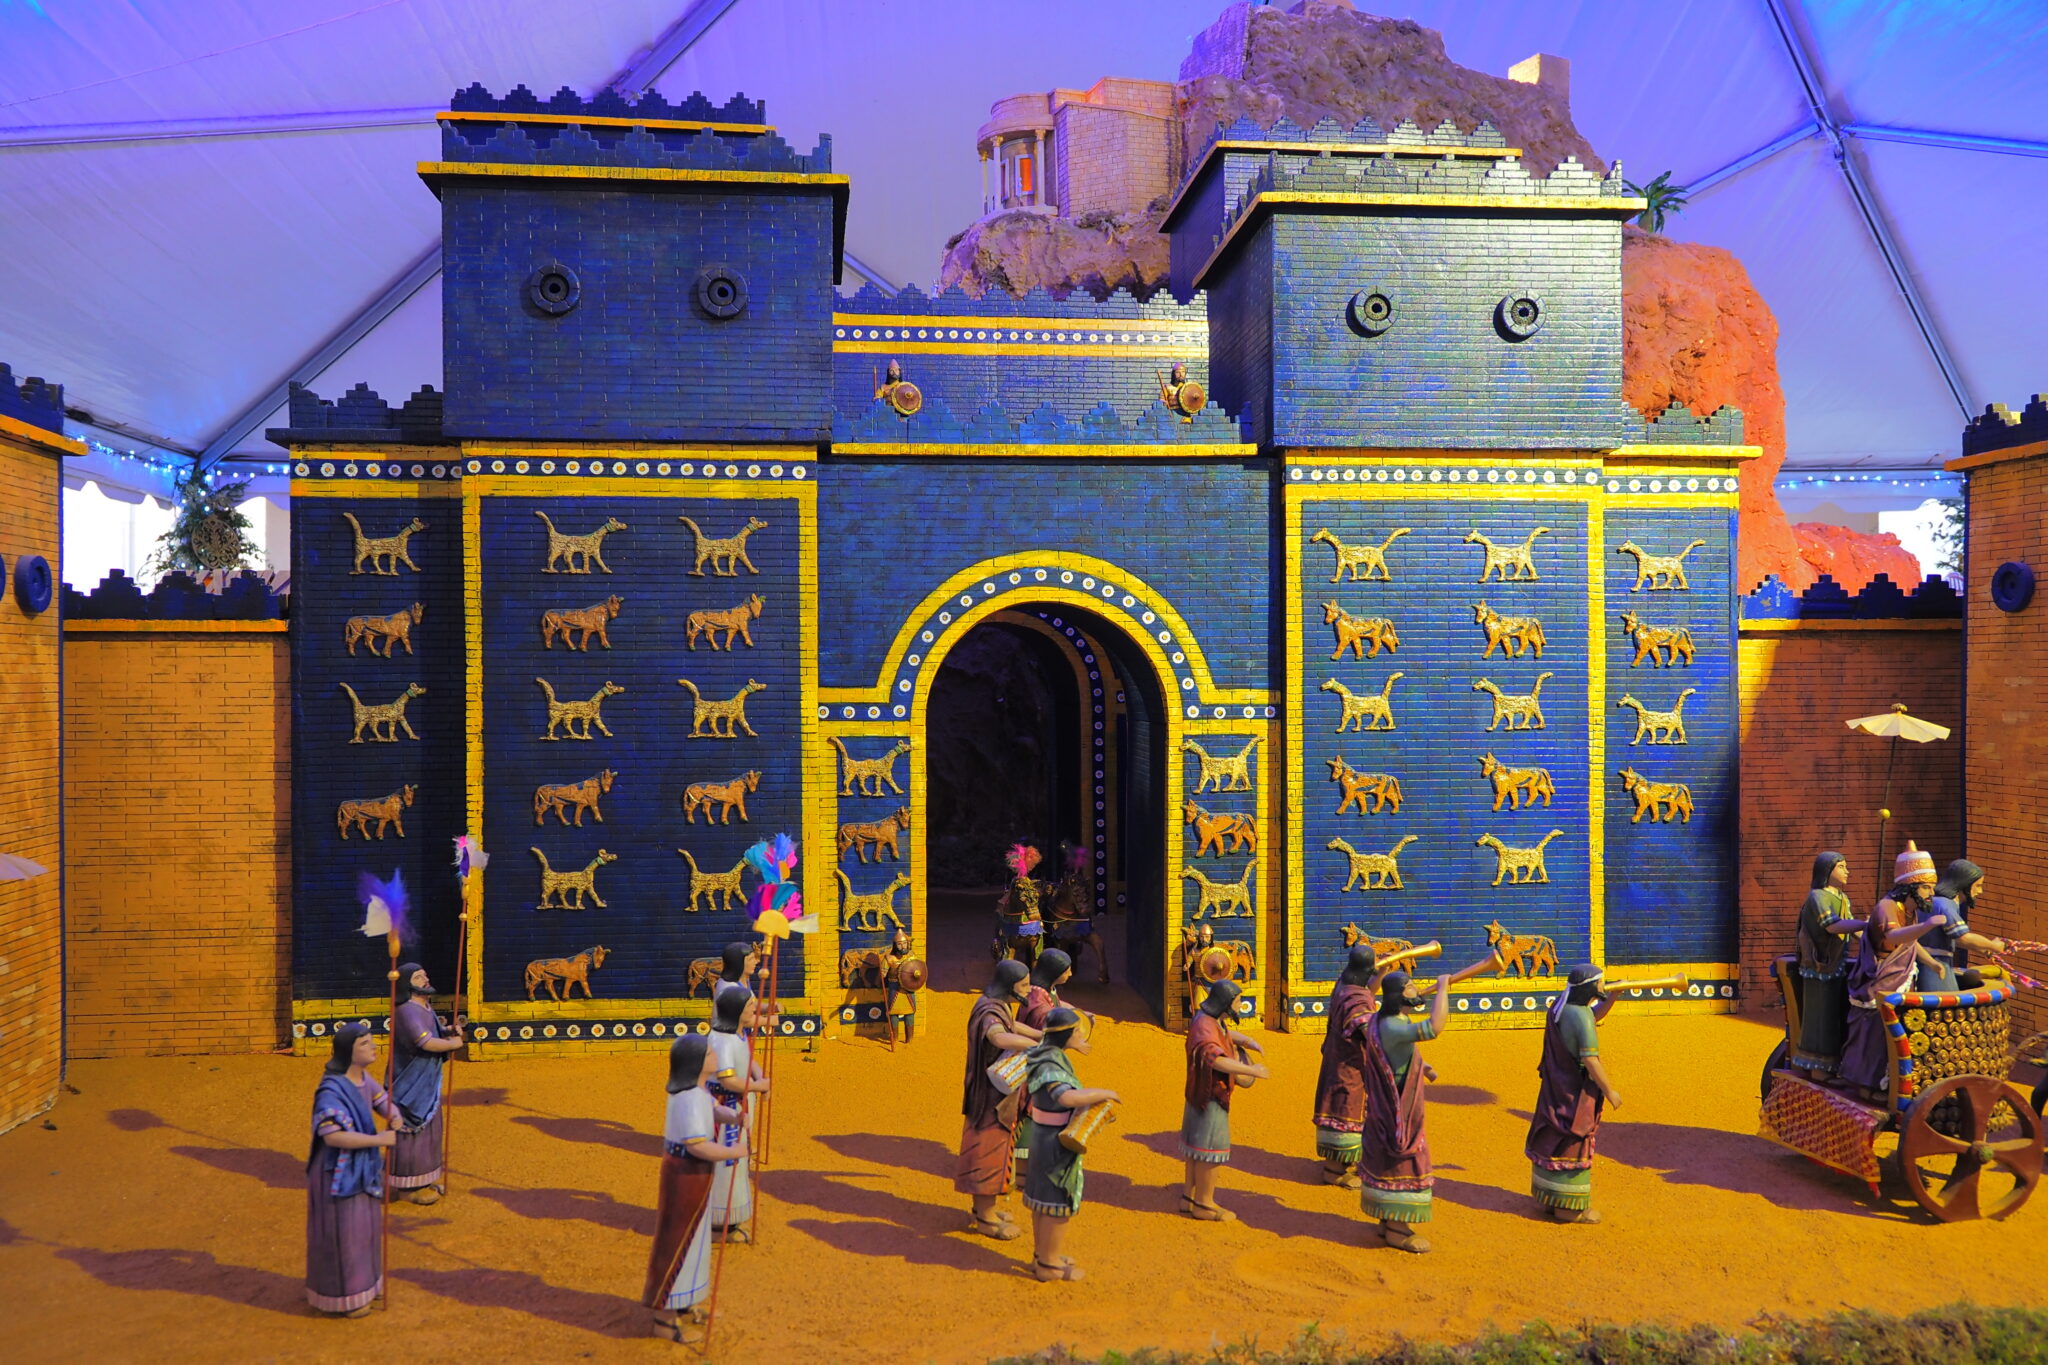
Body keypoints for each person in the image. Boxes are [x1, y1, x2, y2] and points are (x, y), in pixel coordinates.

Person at [1356, 952, 1499, 1253]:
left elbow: (1398, 1053)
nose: (1416, 989)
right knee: (1407, 1157)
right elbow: (1433, 1028)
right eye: (1410, 987)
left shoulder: (1386, 1020)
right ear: (1397, 995)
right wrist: (1444, 988)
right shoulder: (1392, 1025)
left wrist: (1422, 1066)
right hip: (1398, 1111)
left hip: (1389, 1104)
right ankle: (1397, 1230)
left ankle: (1387, 1219)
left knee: (1389, 1158)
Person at [642, 1034, 748, 1344]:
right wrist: (733, 1151)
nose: (715, 1056)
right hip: (685, 1176)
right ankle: (664, 1320)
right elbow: (698, 1146)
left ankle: (684, 1303)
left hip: (696, 1175)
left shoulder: (698, 1092)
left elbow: (713, 1111)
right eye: (709, 1053)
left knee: (696, 1240)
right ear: (696, 1062)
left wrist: (734, 1116)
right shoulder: (687, 1099)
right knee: (680, 1240)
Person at [1839, 843, 1948, 1099]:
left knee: (1898, 1038)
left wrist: (1931, 963)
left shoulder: (1910, 911)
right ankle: (1866, 1088)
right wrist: (1928, 926)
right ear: (1911, 886)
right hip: (1878, 985)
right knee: (1874, 1039)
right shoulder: (1886, 908)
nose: (1931, 893)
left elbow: (1910, 942)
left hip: (1900, 983)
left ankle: (1889, 1086)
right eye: (1926, 887)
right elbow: (1894, 936)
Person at [305, 1022, 400, 1316]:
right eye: (365, 1044)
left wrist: (394, 1116)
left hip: (363, 1167)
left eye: (371, 1041)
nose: (373, 1047)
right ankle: (346, 1295)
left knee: (366, 1230)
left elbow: (380, 1099)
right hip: (338, 1173)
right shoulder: (331, 1091)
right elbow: (332, 1137)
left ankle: (367, 1286)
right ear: (349, 1052)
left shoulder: (364, 1078)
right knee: (345, 1234)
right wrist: (379, 1139)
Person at [1020, 1007, 1119, 1282]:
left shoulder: (1044, 1054)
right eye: (1076, 1031)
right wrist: (1103, 1093)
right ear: (1066, 1034)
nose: (1080, 1035)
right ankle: (1049, 1264)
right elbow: (1065, 1098)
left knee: (1043, 1202)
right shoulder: (1050, 1064)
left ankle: (1043, 1255)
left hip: (1043, 1135)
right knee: (1056, 1203)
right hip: (1054, 1141)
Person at [1525, 964, 1623, 1223]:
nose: (1603, 986)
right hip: (1575, 1093)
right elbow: (1590, 1059)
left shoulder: (1562, 1006)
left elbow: (1593, 1015)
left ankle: (1550, 1198)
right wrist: (1609, 1090)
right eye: (1600, 983)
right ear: (1589, 987)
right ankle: (1569, 1208)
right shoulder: (1579, 1016)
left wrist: (1612, 996)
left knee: (1553, 1137)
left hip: (1555, 1089)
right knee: (1574, 1139)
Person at [957, 958, 1042, 1239]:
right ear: (1009, 986)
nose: (1028, 990)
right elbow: (999, 1037)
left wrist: (1040, 1035)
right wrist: (1034, 1046)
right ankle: (986, 1217)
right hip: (988, 1099)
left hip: (1000, 1095)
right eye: (1024, 985)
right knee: (988, 1154)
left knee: (1000, 1151)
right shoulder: (988, 1012)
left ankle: (984, 1208)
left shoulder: (1000, 1005)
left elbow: (1011, 1026)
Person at [1180, 978, 1269, 1220]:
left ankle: (1189, 1197)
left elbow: (1224, 1034)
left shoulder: (1208, 1019)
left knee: (1195, 1149)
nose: (1240, 1005)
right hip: (1210, 1097)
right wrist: (1251, 1070)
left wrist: (1247, 1041)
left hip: (1200, 1095)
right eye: (1237, 1001)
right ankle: (1203, 1204)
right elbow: (1215, 1059)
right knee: (1209, 1151)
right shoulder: (1205, 1027)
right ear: (1226, 1003)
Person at [388, 963, 463, 1205]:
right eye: (418, 977)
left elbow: (435, 1032)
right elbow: (425, 1042)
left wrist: (449, 1031)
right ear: (407, 985)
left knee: (430, 1131)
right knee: (413, 1131)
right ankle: (408, 1188)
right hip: (411, 1084)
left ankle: (423, 1179)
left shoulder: (424, 1007)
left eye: (424, 975)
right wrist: (452, 1045)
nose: (425, 979)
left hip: (427, 1081)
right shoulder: (407, 1011)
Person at [1312, 943, 1379, 1187]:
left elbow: (1369, 991)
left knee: (1345, 1108)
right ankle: (1334, 1170)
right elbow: (1370, 1032)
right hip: (1348, 1067)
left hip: (1339, 1060)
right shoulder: (1356, 1001)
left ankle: (1346, 1162)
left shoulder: (1344, 985)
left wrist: (1382, 971)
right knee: (1344, 1110)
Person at [707, 985, 769, 1242]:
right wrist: (756, 1086)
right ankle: (714, 1225)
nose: (754, 1009)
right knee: (724, 1165)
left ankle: (729, 1222)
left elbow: (748, 1059)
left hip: (737, 1105)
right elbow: (728, 1079)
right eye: (749, 1006)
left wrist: (760, 1077)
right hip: (724, 1108)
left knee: (737, 1164)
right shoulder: (722, 1041)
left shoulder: (739, 1036)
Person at [1791, 854, 1862, 1076]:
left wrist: (1872, 938)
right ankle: (1818, 1070)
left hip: (1837, 967)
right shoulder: (1818, 896)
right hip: (1819, 968)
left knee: (1835, 1018)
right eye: (1841, 867)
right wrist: (1865, 925)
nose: (1846, 871)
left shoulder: (1843, 898)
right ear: (1827, 870)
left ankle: (1834, 1066)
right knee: (1821, 1019)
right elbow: (1832, 926)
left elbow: (1852, 927)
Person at [1013, 948, 1073, 1178]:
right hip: (1034, 1067)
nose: (1070, 974)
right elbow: (1047, 1025)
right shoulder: (1037, 1000)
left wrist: (1077, 1012)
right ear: (1054, 972)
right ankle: (1023, 1171)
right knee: (1032, 1115)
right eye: (1066, 970)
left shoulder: (1047, 992)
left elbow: (1058, 1004)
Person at [1921, 859, 2008, 991]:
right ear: (1965, 884)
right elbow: (1963, 938)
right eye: (1977, 886)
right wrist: (1993, 945)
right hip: (1935, 968)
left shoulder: (1938, 902)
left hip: (1931, 964)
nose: (1980, 891)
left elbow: (1954, 938)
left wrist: (1982, 948)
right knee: (1947, 999)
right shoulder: (1945, 906)